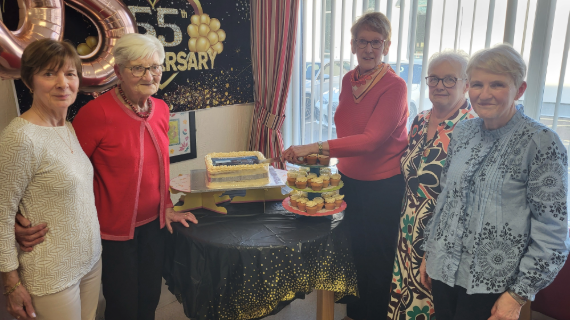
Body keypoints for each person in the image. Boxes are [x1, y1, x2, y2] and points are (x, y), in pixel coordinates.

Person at [14, 33, 198, 320]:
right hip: (112, 233)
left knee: (150, 297)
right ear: (118, 72)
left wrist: (168, 207)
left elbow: (160, 165)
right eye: (138, 68)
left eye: (155, 67)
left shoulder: (161, 108)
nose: (149, 75)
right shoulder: (95, 114)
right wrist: (18, 215)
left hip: (155, 226)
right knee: (123, 305)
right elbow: (66, 170)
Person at [420, 44, 570, 320]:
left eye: (497, 85)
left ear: (520, 89)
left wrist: (517, 295)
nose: (484, 94)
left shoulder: (541, 143)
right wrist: (431, 252)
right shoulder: (463, 131)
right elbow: (446, 199)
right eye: (477, 84)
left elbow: (553, 232)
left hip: (494, 286)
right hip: (444, 270)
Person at [282, 12, 408, 320]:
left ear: (386, 45)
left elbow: (369, 140)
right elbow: (346, 133)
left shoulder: (395, 86)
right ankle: (355, 314)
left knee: (377, 258)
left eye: (375, 42)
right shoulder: (347, 80)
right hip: (348, 181)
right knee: (353, 254)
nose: (368, 49)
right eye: (362, 41)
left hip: (382, 187)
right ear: (352, 45)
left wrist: (312, 147)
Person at [0, 39, 102, 320]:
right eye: (49, 73)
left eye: (70, 74)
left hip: (90, 259)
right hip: (52, 273)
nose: (62, 83)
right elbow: (1, 212)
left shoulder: (67, 127)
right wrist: (10, 282)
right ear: (29, 81)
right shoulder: (20, 137)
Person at [387, 50, 476, 320]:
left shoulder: (474, 129)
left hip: (442, 238)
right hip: (408, 230)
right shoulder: (420, 120)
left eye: (450, 79)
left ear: (466, 84)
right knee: (404, 297)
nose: (440, 86)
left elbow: (467, 201)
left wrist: (437, 248)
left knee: (431, 304)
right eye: (434, 79)